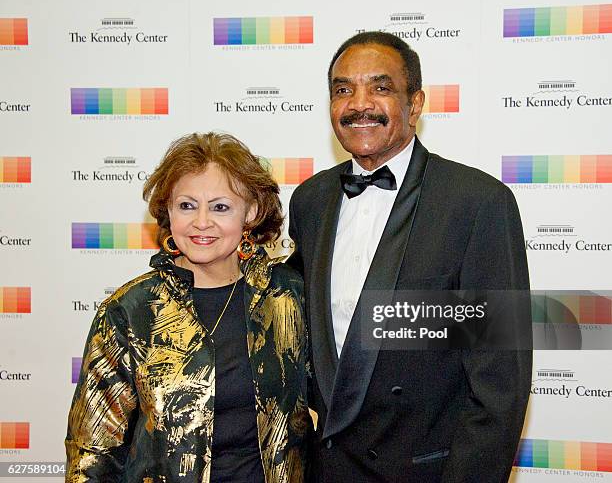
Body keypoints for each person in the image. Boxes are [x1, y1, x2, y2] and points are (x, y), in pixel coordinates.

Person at [288, 31, 532, 482]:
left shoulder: (477, 203)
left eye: (380, 88)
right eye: (343, 90)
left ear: (415, 104)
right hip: (329, 469)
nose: (359, 104)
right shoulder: (310, 200)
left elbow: (500, 385)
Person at [66, 132, 310, 483]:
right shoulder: (130, 311)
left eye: (220, 207)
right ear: (168, 211)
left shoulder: (287, 296)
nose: (201, 222)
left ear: (251, 212)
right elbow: (92, 455)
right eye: (187, 205)